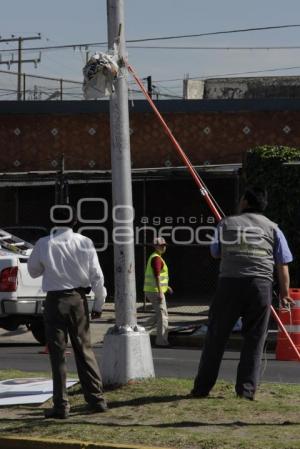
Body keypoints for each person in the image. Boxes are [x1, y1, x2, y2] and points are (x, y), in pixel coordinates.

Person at [191, 187, 294, 400]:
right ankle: (246, 391)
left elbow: (215, 252)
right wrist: (284, 294)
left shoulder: (226, 224)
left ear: (246, 202)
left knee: (216, 337)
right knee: (255, 339)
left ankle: (202, 389)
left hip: (229, 284)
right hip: (261, 287)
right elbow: (282, 264)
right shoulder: (273, 228)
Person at [28, 206, 108, 418]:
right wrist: (99, 303)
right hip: (78, 300)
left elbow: (33, 271)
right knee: (84, 349)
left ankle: (61, 405)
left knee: (57, 354)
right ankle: (97, 399)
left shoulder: (44, 243)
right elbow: (97, 276)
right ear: (75, 222)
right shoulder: (85, 242)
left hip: (55, 301)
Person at [143, 237, 173, 347]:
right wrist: (161, 292)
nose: (164, 247)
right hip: (155, 291)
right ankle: (161, 341)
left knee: (160, 314)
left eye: (164, 245)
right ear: (156, 246)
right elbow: (157, 275)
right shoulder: (156, 258)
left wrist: (166, 287)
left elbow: (159, 277)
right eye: (161, 245)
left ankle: (141, 329)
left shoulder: (156, 257)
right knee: (163, 316)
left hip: (152, 290)